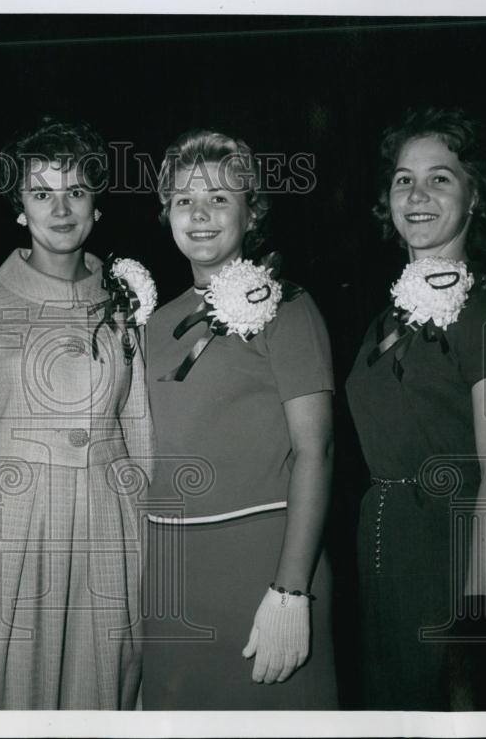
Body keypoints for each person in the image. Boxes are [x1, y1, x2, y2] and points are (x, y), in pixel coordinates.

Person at [0, 118, 149, 709]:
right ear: (19, 208)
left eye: (76, 191)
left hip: (105, 528)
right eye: (41, 192)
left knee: (98, 689)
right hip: (10, 528)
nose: (60, 208)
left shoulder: (124, 307)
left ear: (97, 205)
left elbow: (142, 430)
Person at [141, 129, 338, 709]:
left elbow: (315, 452)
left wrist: (290, 590)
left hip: (263, 565)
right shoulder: (154, 322)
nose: (199, 215)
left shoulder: (289, 306)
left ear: (252, 214)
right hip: (173, 575)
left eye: (220, 198)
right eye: (183, 200)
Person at [345, 107, 486, 710]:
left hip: (449, 559)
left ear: (475, 197)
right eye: (404, 179)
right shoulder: (382, 320)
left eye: (440, 178)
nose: (417, 194)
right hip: (381, 559)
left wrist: (475, 619)